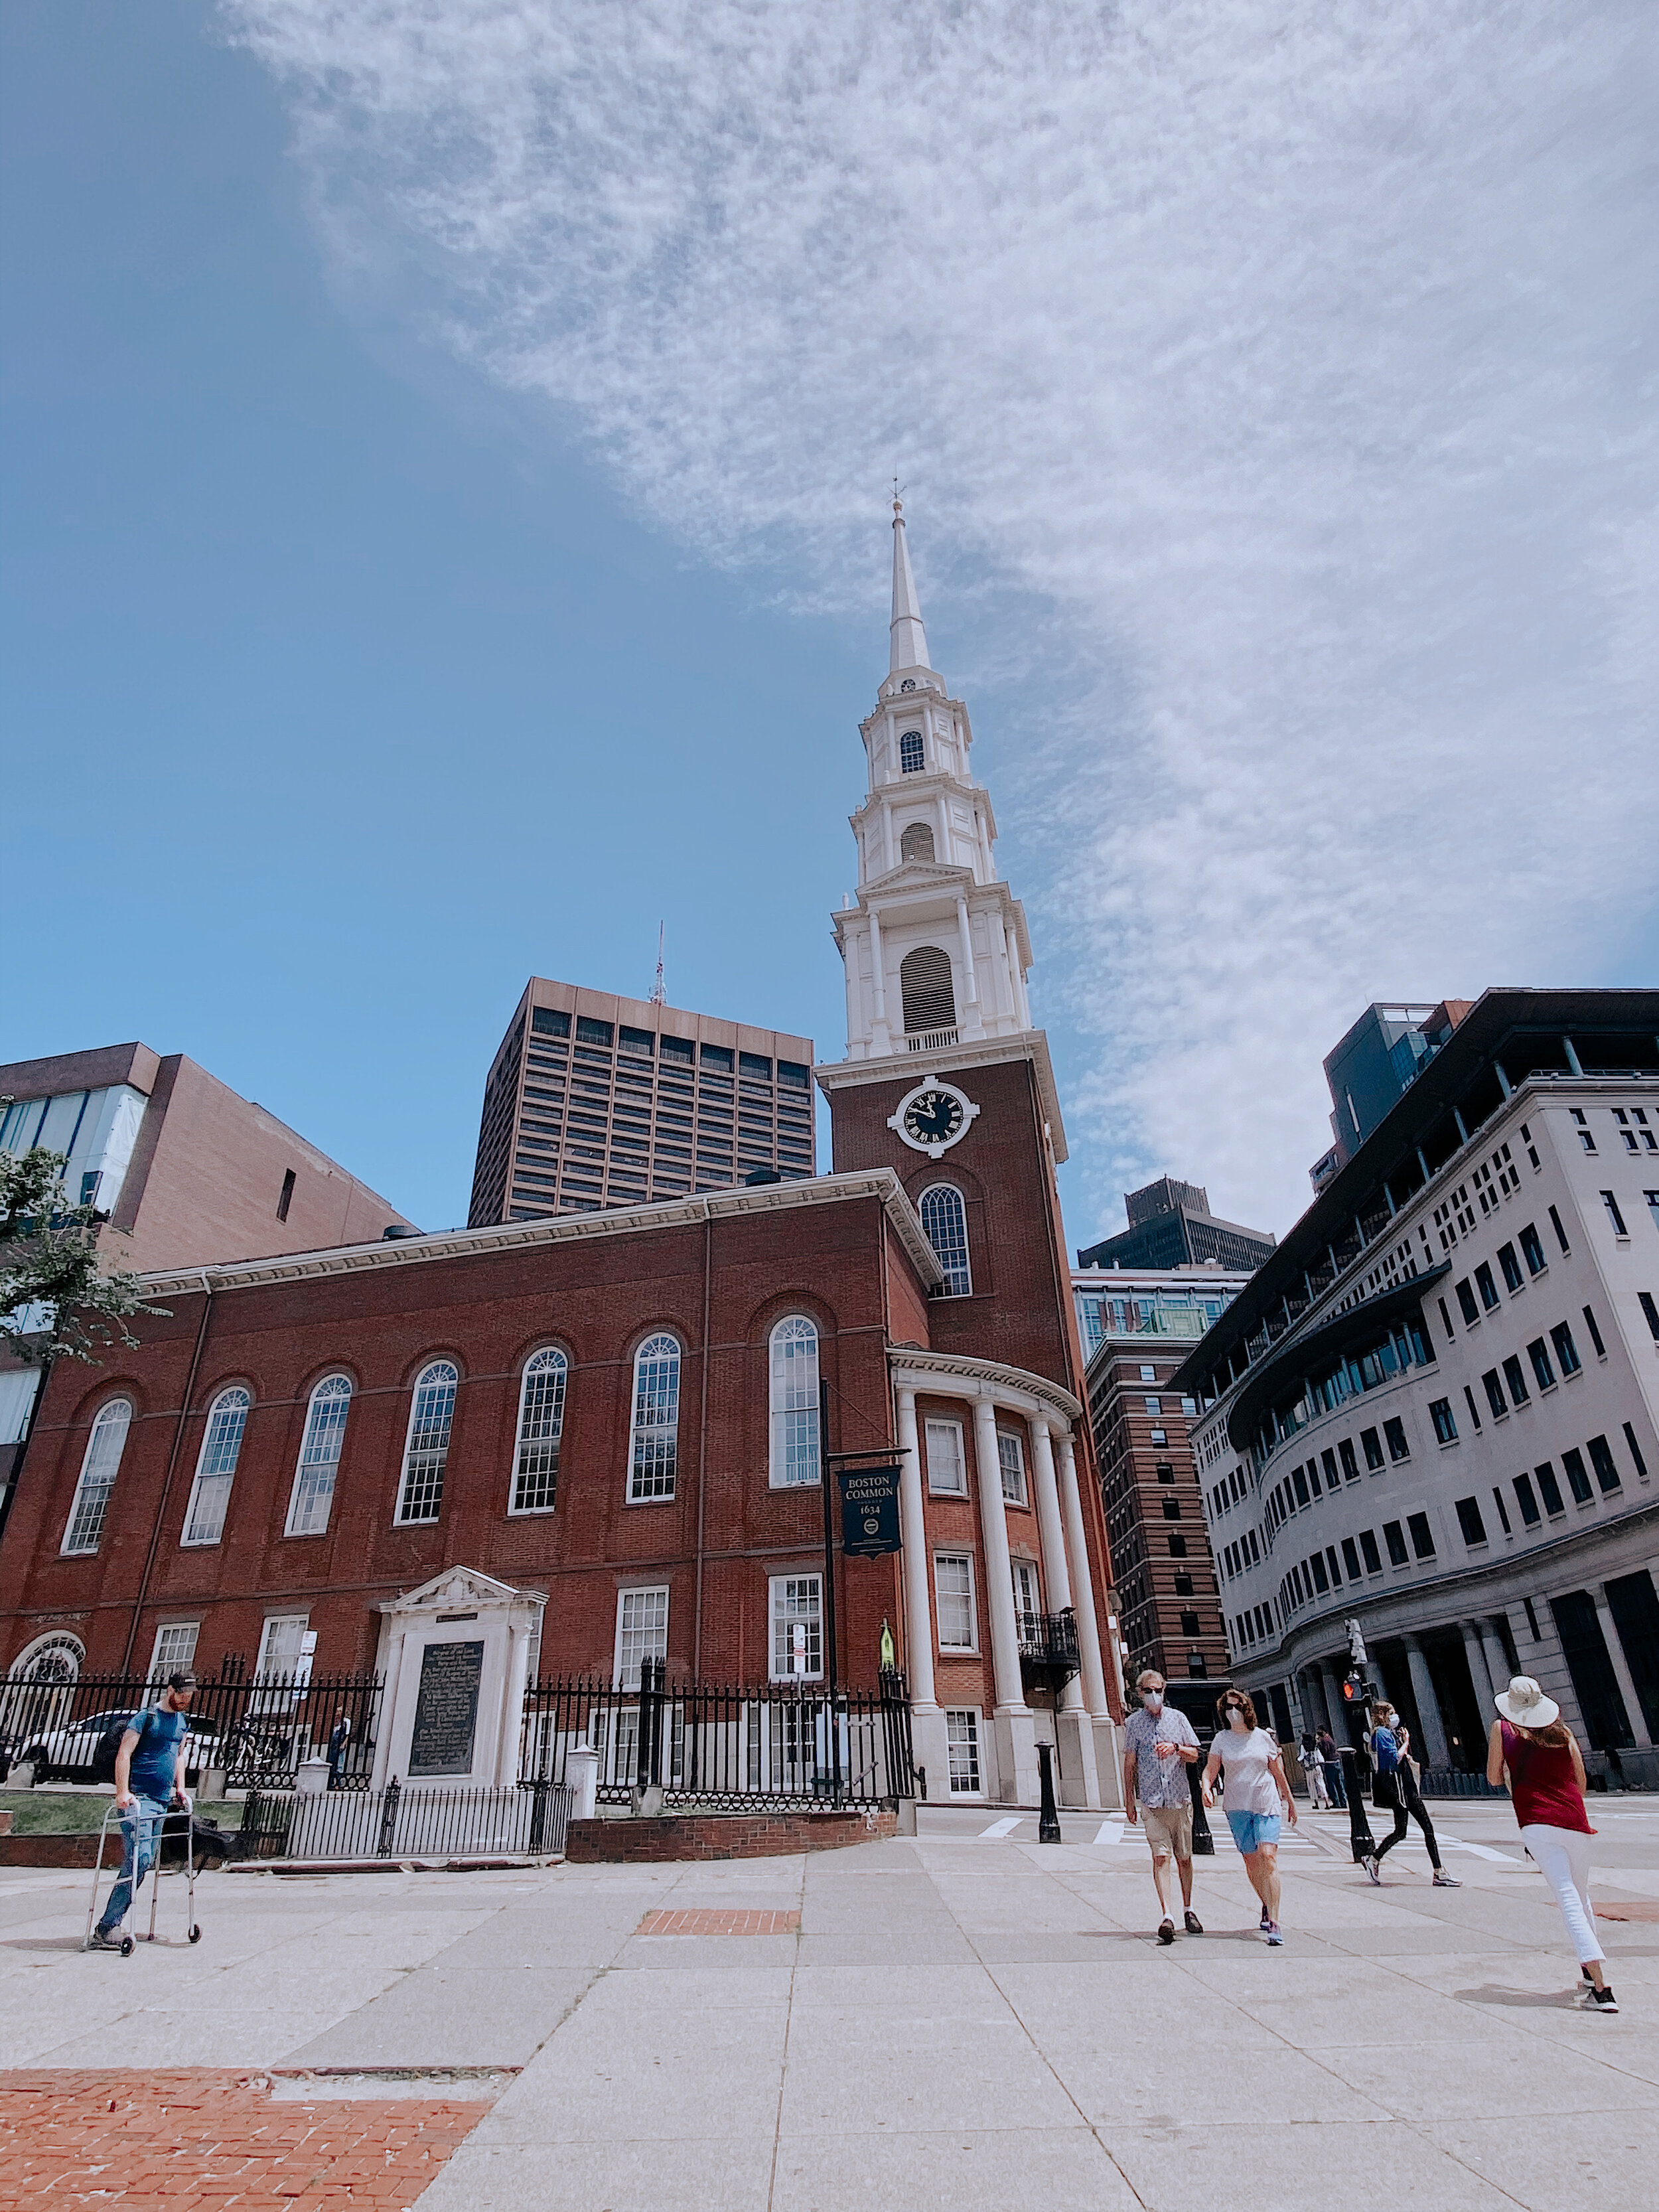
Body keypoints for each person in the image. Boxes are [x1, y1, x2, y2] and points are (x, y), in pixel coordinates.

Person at [1487, 1675, 1617, 2013]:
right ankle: (1590, 1977)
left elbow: (1493, 1777)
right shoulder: (1565, 1732)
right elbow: (1580, 1780)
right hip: (1576, 1821)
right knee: (1581, 1895)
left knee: (1568, 1900)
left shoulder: (1502, 1729)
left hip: (1537, 1822)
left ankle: (1603, 1989)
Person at [87, 1670, 196, 1951]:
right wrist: (122, 1792)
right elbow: (124, 1753)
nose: (185, 1698)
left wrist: (180, 1788)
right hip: (139, 1799)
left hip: (161, 1800)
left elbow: (178, 1756)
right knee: (141, 1858)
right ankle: (107, 1927)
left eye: (189, 1694)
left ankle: (110, 1923)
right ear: (170, 1689)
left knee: (144, 1861)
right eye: (181, 1693)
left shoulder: (182, 1722)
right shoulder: (146, 1718)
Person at [1202, 1691, 1297, 1945]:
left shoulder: (1262, 1737)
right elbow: (1211, 1769)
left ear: (1247, 1709)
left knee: (1268, 1857)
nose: (1233, 1712)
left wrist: (1289, 1800)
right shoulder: (1222, 1739)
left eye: (1237, 1707)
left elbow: (1277, 1770)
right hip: (1237, 1806)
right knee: (1251, 1861)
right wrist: (1206, 1788)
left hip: (1266, 1803)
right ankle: (1267, 1902)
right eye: (1228, 1708)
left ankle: (1275, 1922)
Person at [1123, 1670, 1204, 1944]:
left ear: (1164, 1690)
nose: (1153, 1695)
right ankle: (1167, 1915)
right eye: (1147, 1691)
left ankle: (1188, 1908)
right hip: (1151, 1800)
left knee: (1184, 1857)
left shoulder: (1178, 1719)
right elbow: (1129, 1763)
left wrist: (1176, 1748)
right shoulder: (1133, 1723)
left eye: (1157, 1690)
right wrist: (1128, 1800)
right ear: (1140, 1693)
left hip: (1179, 1799)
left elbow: (1195, 1754)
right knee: (1160, 1857)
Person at [1361, 1700, 1460, 1889]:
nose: (1394, 1717)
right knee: (1426, 1828)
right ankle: (1439, 1872)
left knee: (1401, 1831)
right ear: (1383, 1715)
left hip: (1403, 1787)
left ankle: (1374, 1858)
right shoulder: (1382, 1733)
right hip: (1401, 1788)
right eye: (1391, 1713)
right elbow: (1393, 1758)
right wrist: (1406, 1742)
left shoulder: (1387, 1733)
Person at [1315, 1724, 1346, 1808]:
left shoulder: (1323, 1741)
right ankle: (1343, 1802)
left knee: (1332, 1784)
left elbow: (1324, 1751)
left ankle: (1337, 1802)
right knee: (1339, 1783)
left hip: (1329, 1763)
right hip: (1336, 1762)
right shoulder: (1330, 1738)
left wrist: (1318, 1743)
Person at [1300, 1730, 1331, 1810]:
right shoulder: (1315, 1745)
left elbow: (1301, 1757)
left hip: (1309, 1769)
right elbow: (1321, 1759)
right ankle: (1327, 1802)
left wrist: (1301, 1763)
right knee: (1321, 1784)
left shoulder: (1303, 1746)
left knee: (1312, 1786)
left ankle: (1316, 1804)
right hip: (1317, 1767)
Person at [326, 1711, 352, 1790]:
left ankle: (338, 1784)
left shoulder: (346, 1722)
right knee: (332, 1764)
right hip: (333, 1746)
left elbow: (348, 1734)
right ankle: (330, 1783)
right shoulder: (336, 1723)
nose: (337, 1715)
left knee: (340, 1765)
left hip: (340, 1746)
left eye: (339, 1713)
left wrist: (343, 1744)